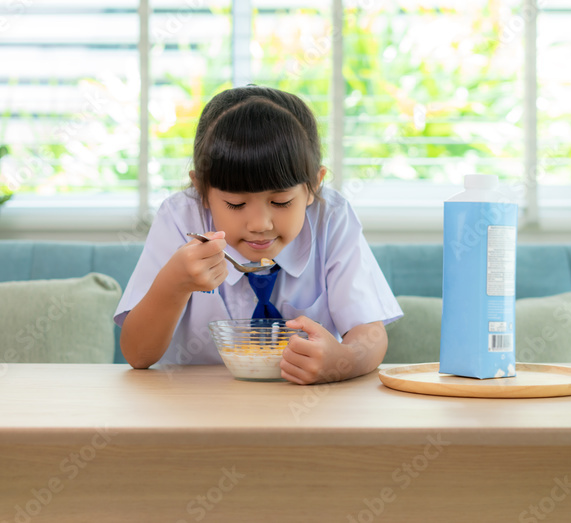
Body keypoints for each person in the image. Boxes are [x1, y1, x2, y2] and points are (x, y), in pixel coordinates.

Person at [115, 85, 402, 384]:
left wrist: (343, 360)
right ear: (201, 191)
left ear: (314, 187)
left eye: (281, 202)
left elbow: (370, 334)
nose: (259, 224)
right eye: (236, 204)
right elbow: (137, 355)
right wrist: (172, 284)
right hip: (196, 409)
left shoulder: (331, 218)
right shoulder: (180, 217)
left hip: (306, 409)